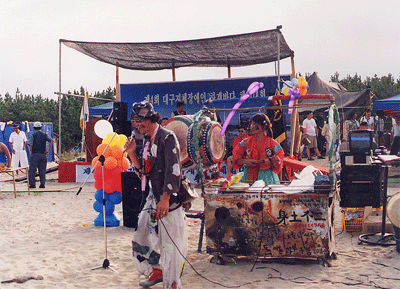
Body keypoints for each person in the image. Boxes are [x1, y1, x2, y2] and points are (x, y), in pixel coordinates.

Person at [125, 101, 187, 289]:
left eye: (139, 120)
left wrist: (166, 199)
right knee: (142, 234)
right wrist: (132, 154)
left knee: (170, 247)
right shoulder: (147, 140)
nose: (137, 125)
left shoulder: (167, 137)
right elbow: (144, 171)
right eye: (134, 121)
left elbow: (173, 170)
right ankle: (157, 269)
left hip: (169, 200)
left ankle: (172, 283)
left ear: (149, 119)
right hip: (154, 197)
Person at [232, 113, 284, 185]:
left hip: (267, 178)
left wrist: (276, 161)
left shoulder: (273, 144)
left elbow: (278, 165)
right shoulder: (245, 142)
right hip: (249, 176)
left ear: (263, 126)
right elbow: (236, 157)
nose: (252, 127)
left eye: (255, 124)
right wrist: (245, 161)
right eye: (251, 124)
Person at [28, 122, 54, 188]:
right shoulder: (44, 135)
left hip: (35, 154)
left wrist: (32, 154)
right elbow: (52, 140)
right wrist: (48, 149)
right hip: (43, 155)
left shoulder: (33, 135)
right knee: (42, 170)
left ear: (34, 128)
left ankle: (32, 184)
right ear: (41, 127)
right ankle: (42, 184)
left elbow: (30, 145)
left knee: (32, 170)